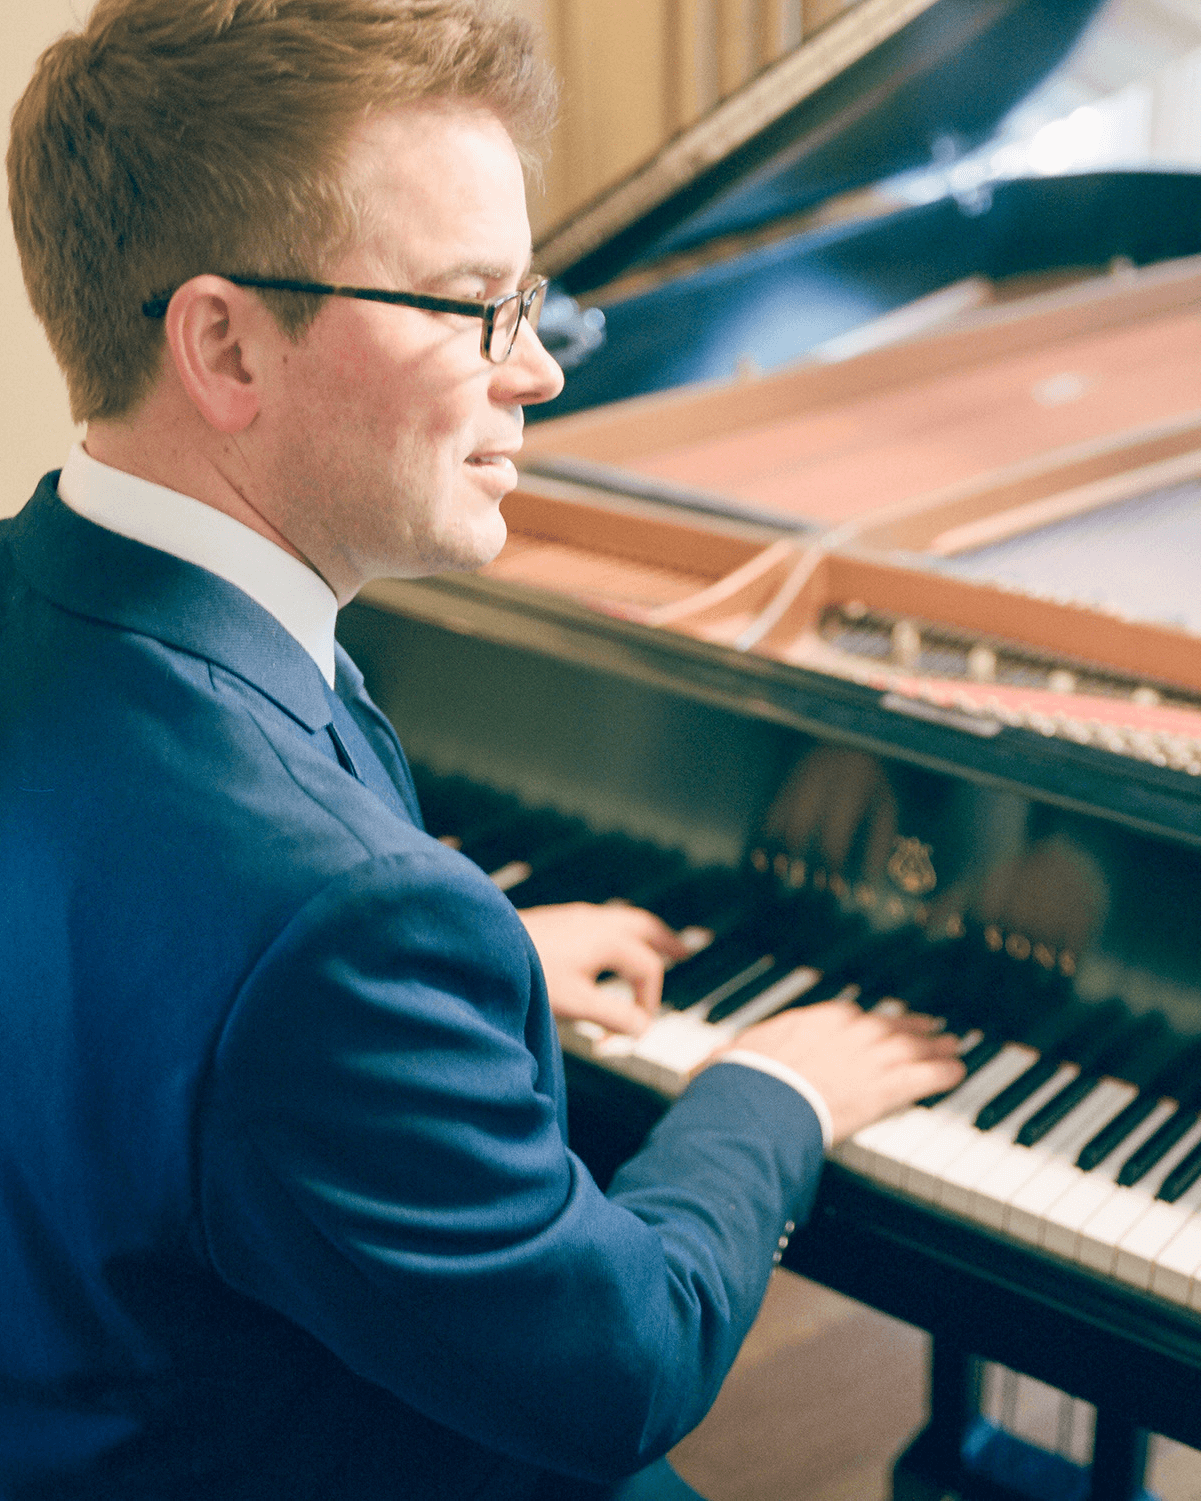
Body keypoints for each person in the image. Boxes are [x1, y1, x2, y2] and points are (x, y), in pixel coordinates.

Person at [0, 2, 965, 1497]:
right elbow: (627, 1368)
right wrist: (768, 1094)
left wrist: (482, 959)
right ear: (222, 344)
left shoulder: (41, 601)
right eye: (473, 306)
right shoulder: (337, 925)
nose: (542, 375)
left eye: (532, 303)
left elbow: (130, 960)